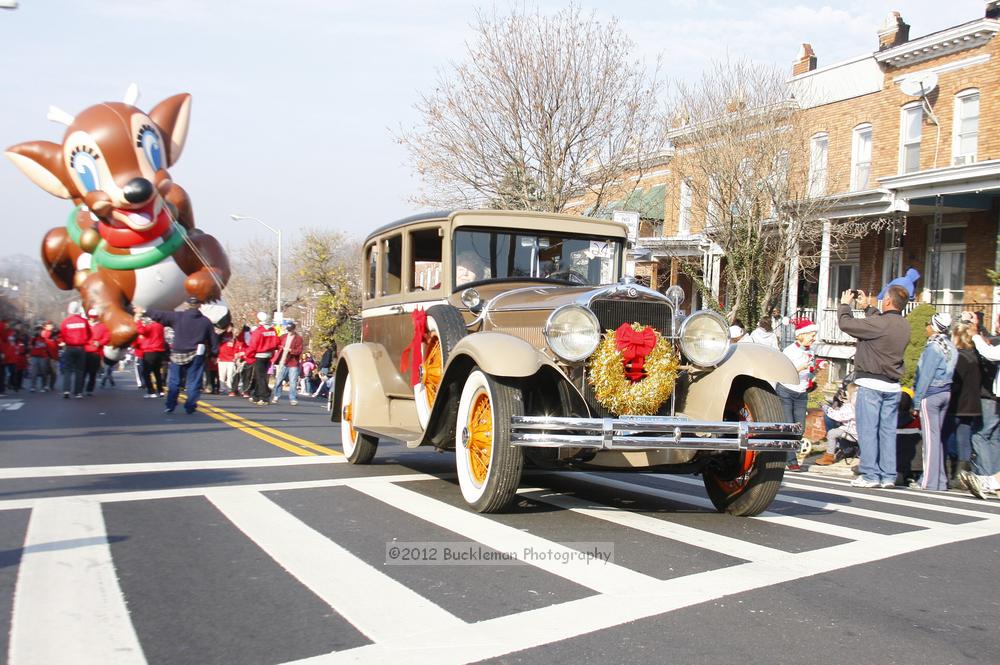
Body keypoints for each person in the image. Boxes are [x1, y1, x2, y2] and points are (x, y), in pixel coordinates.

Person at [837, 286, 910, 489]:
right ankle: (888, 476)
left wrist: (845, 305)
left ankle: (869, 474)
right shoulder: (904, 325)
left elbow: (846, 324)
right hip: (893, 386)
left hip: (871, 384)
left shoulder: (879, 323)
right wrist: (868, 308)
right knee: (887, 433)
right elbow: (881, 325)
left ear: (887, 301)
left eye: (883, 298)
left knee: (868, 431)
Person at [137, 297, 218, 414]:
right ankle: (190, 405)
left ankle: (170, 405)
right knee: (193, 381)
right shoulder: (205, 321)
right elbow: (213, 339)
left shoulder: (178, 317)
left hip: (178, 352)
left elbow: (160, 315)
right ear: (200, 306)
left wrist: (144, 310)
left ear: (187, 305)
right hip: (196, 353)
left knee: (174, 381)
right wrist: (214, 354)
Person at [912, 312, 958, 491]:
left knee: (929, 440)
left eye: (928, 324)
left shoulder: (933, 347)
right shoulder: (951, 346)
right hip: (945, 392)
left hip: (930, 395)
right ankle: (940, 480)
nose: (925, 327)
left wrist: (916, 402)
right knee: (936, 437)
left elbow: (925, 377)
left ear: (933, 326)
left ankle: (928, 481)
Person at [776, 317, 818, 472]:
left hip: (801, 393)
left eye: (814, 335)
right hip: (786, 391)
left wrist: (815, 373)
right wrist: (798, 369)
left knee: (799, 429)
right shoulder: (789, 351)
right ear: (801, 335)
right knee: (789, 427)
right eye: (811, 335)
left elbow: (810, 371)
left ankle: (786, 453)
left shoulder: (811, 351)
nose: (813, 338)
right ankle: (791, 460)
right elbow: (781, 372)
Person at [942, 322, 981, 489]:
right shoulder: (974, 356)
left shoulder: (958, 357)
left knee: (946, 438)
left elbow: (955, 383)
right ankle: (961, 475)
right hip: (972, 405)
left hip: (957, 404)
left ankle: (949, 472)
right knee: (964, 439)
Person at [969, 318, 1000, 477]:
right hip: (995, 398)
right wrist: (979, 326)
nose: (995, 325)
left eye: (997, 323)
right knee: (994, 438)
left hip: (990, 397)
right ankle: (995, 478)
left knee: (980, 436)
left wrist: (975, 335)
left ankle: (987, 477)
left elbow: (989, 352)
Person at [815, 383, 858, 466]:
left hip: (852, 433)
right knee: (836, 430)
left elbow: (837, 416)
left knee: (832, 433)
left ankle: (829, 457)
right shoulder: (858, 404)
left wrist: (826, 408)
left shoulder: (850, 407)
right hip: (858, 432)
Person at [244, 312, 279, 406]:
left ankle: (264, 397)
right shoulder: (273, 330)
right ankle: (256, 395)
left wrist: (247, 354)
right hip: (269, 355)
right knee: (262, 376)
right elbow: (276, 342)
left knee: (260, 377)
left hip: (259, 355)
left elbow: (253, 345)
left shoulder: (258, 331)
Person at [59, 301, 90, 398]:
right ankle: (78, 392)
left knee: (67, 370)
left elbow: (62, 335)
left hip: (69, 348)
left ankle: (66, 391)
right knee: (79, 371)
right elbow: (89, 334)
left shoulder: (66, 322)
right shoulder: (84, 321)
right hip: (81, 348)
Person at [271, 322, 303, 405]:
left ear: (294, 329)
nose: (289, 332)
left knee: (292, 381)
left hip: (293, 362)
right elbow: (276, 344)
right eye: (288, 330)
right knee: (279, 380)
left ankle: (293, 398)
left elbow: (299, 351)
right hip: (283, 361)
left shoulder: (298, 338)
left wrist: (291, 351)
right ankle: (276, 396)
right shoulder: (283, 337)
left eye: (290, 330)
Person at [135, 314, 167, 398]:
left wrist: (138, 321)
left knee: (146, 373)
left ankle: (151, 391)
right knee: (157, 372)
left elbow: (141, 331)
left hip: (150, 351)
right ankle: (160, 391)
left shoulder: (152, 326)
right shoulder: (160, 327)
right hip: (159, 351)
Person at [83, 308, 108, 395]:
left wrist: (100, 342)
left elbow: (107, 338)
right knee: (83, 371)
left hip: (95, 352)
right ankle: (80, 388)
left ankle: (89, 389)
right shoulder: (84, 325)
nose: (92, 318)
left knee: (92, 372)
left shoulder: (102, 326)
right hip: (85, 351)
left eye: (94, 317)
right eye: (91, 317)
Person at [216, 325, 237, 395]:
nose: (230, 328)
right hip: (222, 358)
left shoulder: (233, 337)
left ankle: (229, 389)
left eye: (231, 327)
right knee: (222, 375)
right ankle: (222, 389)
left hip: (231, 359)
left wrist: (235, 356)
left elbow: (235, 347)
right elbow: (217, 346)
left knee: (230, 375)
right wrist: (217, 356)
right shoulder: (221, 336)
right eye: (228, 327)